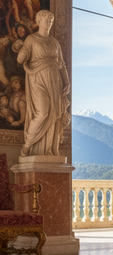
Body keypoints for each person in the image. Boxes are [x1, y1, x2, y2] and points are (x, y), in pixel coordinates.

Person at [17, 10, 70, 157]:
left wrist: (67, 82)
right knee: (43, 112)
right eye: (47, 20)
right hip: (37, 79)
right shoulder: (31, 39)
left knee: (53, 114)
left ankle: (48, 150)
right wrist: (22, 54)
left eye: (51, 21)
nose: (49, 23)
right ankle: (27, 146)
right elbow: (22, 58)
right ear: (39, 21)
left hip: (55, 81)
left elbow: (62, 64)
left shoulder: (55, 42)